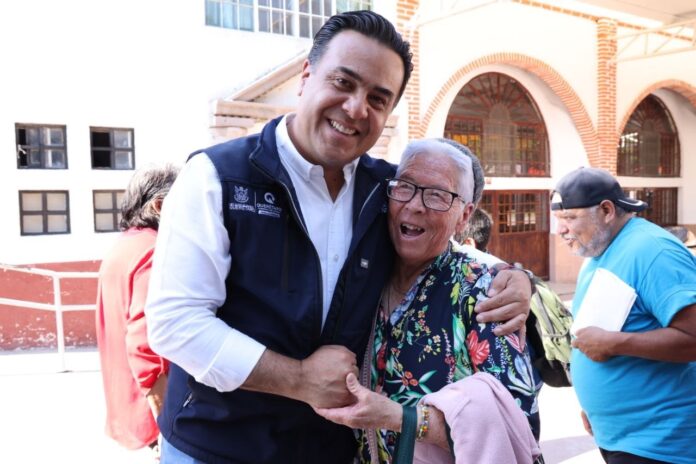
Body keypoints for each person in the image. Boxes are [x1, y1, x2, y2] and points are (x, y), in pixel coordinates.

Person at [145, 11, 534, 464]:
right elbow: (175, 324)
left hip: (330, 448)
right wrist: (299, 379)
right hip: (218, 445)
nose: (355, 108)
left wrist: (518, 279)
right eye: (343, 82)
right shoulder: (217, 177)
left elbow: (439, 237)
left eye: (378, 98)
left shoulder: (388, 190)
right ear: (306, 76)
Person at [314, 139, 542, 464]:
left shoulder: (483, 291)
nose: (415, 205)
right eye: (405, 187)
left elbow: (518, 428)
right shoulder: (365, 272)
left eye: (436, 195)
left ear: (464, 216)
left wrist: (402, 418)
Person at [552, 166, 696, 464]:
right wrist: (595, 408)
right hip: (620, 435)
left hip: (661, 441)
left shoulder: (653, 250)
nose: (560, 230)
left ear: (606, 211)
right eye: (558, 219)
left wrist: (614, 344)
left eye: (569, 218)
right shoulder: (599, 250)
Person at [95, 164, 179, 456]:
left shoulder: (125, 245)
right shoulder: (154, 250)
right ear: (159, 206)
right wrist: (169, 428)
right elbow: (145, 349)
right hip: (157, 415)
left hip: (131, 407)